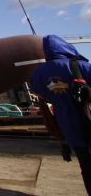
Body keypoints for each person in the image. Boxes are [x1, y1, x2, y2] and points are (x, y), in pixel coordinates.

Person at [30, 34, 91, 194]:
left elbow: (37, 92)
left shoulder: (38, 73)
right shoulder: (80, 66)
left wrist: (57, 96)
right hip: (87, 117)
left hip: (67, 124)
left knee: (86, 166)